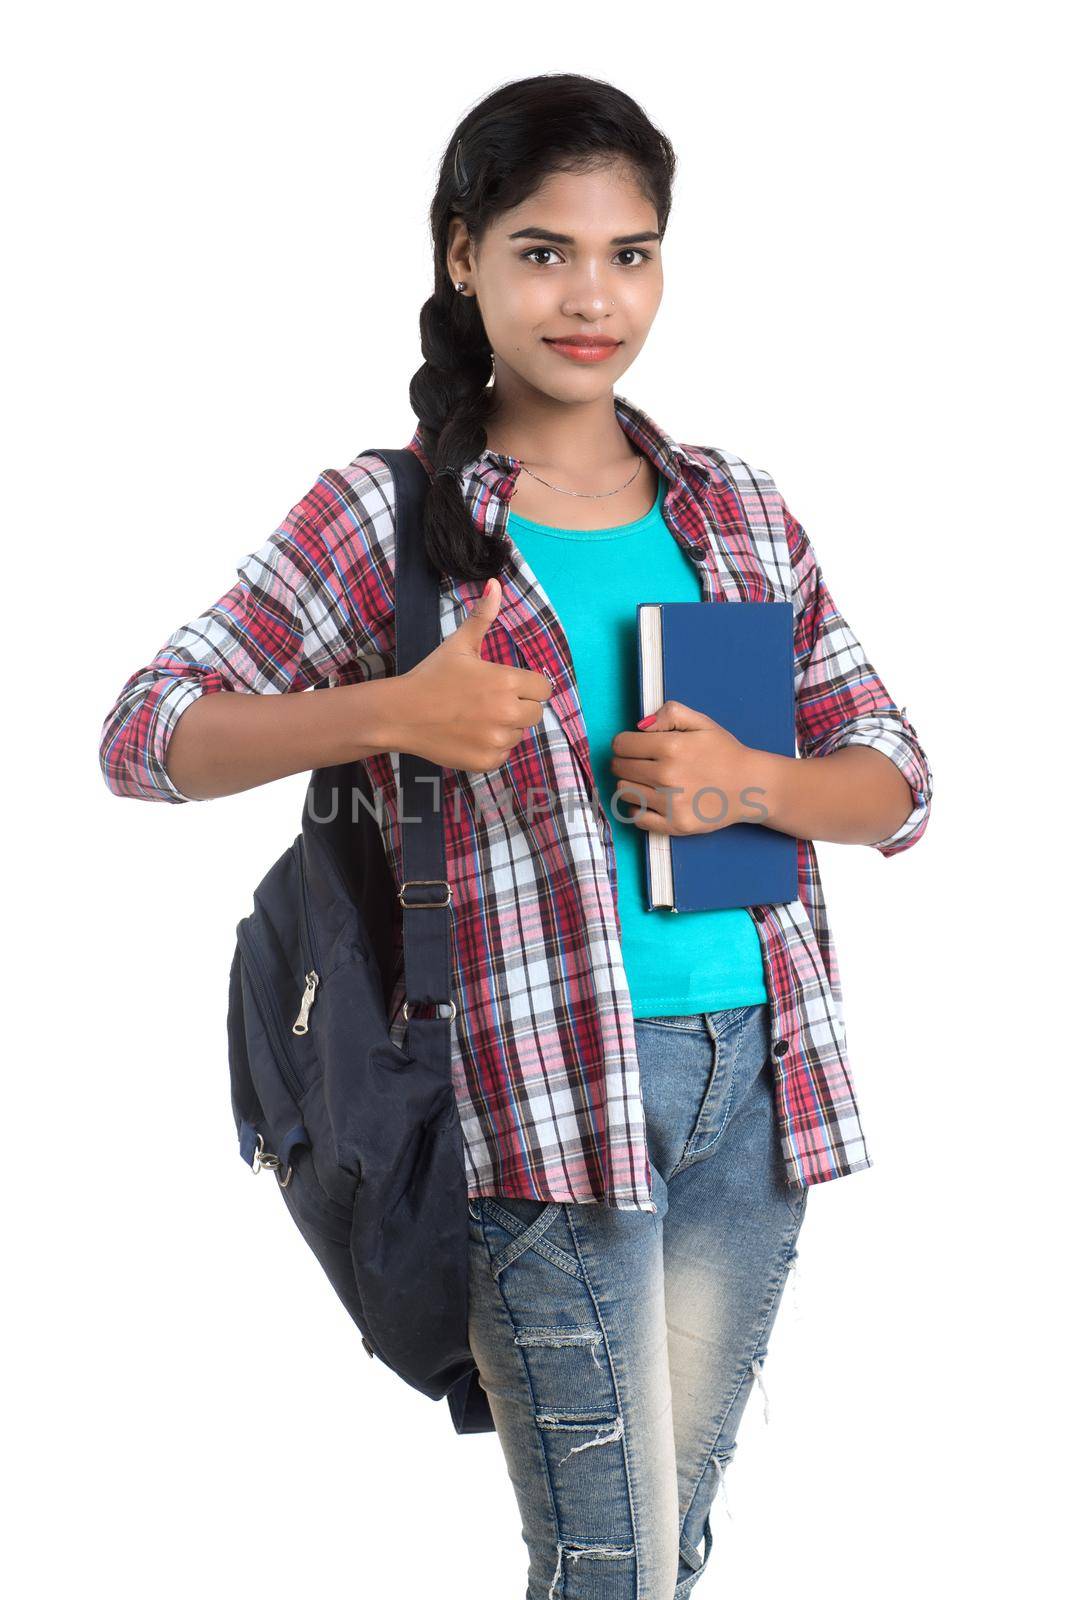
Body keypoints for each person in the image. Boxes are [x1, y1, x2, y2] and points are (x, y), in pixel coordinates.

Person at [99, 73, 933, 1600]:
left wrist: (754, 783)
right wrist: (388, 712)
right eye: (546, 251)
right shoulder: (388, 515)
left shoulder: (734, 508)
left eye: (632, 253)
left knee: (659, 1543)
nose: (593, 297)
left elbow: (894, 773)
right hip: (534, 1109)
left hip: (752, 1090)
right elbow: (146, 734)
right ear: (461, 256)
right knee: (609, 1560)